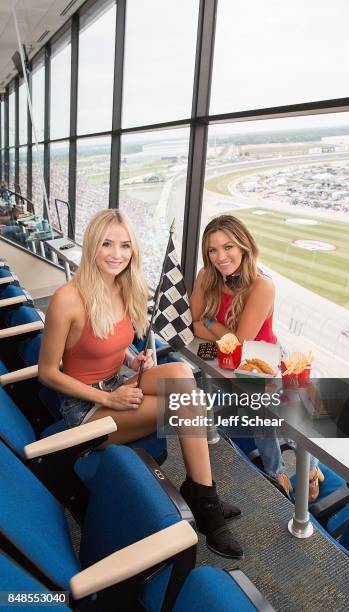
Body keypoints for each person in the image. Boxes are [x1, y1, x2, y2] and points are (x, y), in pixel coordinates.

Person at [38, 209, 242, 559]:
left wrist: (133, 361)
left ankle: (202, 493)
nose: (116, 254)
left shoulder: (123, 288)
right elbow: (48, 373)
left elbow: (110, 347)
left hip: (119, 381)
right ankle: (206, 503)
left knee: (179, 373)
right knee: (183, 404)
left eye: (125, 245)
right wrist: (112, 400)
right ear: (92, 246)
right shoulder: (67, 299)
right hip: (86, 407)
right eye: (107, 244)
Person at [190, 214, 324, 501]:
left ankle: (312, 471)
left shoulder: (263, 285)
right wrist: (217, 329)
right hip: (238, 359)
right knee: (258, 416)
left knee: (294, 420)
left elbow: (239, 341)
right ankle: (276, 473)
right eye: (213, 250)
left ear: (243, 247)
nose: (220, 257)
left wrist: (211, 323)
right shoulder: (206, 275)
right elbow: (195, 324)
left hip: (267, 356)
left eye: (228, 247)